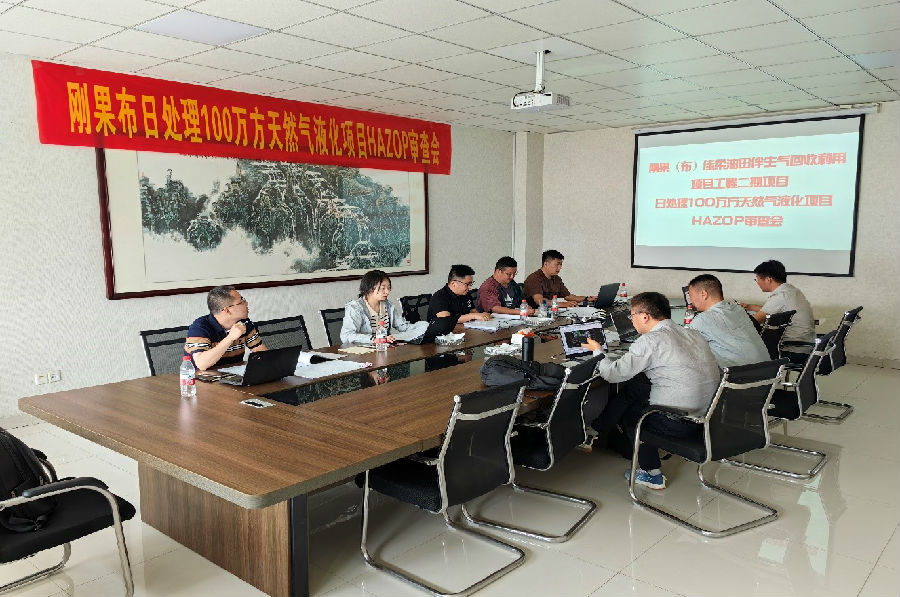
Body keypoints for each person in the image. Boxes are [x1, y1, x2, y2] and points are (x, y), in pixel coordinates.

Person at [582, 292, 720, 490]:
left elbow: (613, 374)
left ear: (645, 316)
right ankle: (596, 430)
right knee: (634, 390)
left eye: (632, 315)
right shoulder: (691, 333)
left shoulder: (650, 341)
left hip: (681, 422)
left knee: (632, 415)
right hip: (709, 415)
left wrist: (598, 351)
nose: (631, 320)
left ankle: (652, 474)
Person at [740, 260, 815, 365]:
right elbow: (773, 310)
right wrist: (750, 307)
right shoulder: (791, 290)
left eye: (757, 279)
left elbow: (754, 322)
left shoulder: (780, 296)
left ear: (768, 279)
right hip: (805, 345)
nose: (757, 282)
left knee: (741, 347)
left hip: (792, 349)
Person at [686, 274, 770, 368]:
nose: (691, 301)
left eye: (691, 296)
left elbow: (683, 347)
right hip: (769, 370)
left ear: (703, 294)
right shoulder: (738, 309)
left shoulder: (702, 320)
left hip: (740, 375)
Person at [185, 286, 267, 370]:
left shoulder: (245, 322)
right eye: (241, 301)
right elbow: (202, 364)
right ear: (227, 310)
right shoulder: (199, 328)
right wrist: (230, 338)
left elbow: (260, 351)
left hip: (233, 375)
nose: (246, 304)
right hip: (200, 376)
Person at [340, 269, 414, 345]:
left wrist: (420, 328)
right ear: (370, 288)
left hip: (384, 348)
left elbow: (403, 326)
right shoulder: (355, 308)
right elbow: (346, 336)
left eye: (389, 287)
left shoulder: (388, 305)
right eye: (383, 288)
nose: (387, 292)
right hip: (363, 350)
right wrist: (374, 339)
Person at [426, 264, 492, 323]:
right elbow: (447, 320)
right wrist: (473, 316)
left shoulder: (465, 294)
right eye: (467, 284)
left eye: (471, 284)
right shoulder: (439, 297)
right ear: (453, 284)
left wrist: (482, 315)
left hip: (464, 328)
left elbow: (472, 311)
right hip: (444, 332)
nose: (469, 288)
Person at [522, 249, 587, 308]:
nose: (560, 267)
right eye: (557, 264)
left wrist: (587, 298)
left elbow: (568, 296)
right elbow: (539, 301)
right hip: (534, 313)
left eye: (561, 264)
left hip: (550, 312)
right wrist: (563, 304)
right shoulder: (534, 278)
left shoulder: (556, 278)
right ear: (545, 264)